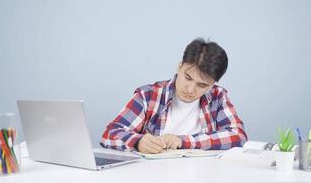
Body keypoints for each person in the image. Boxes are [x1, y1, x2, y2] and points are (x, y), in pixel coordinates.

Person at [100, 38, 247, 154]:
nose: (190, 89)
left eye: (201, 85)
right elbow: (109, 134)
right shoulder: (148, 96)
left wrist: (184, 141)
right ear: (180, 66)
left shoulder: (217, 97)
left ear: (212, 84)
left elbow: (238, 137)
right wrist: (138, 142)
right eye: (188, 78)